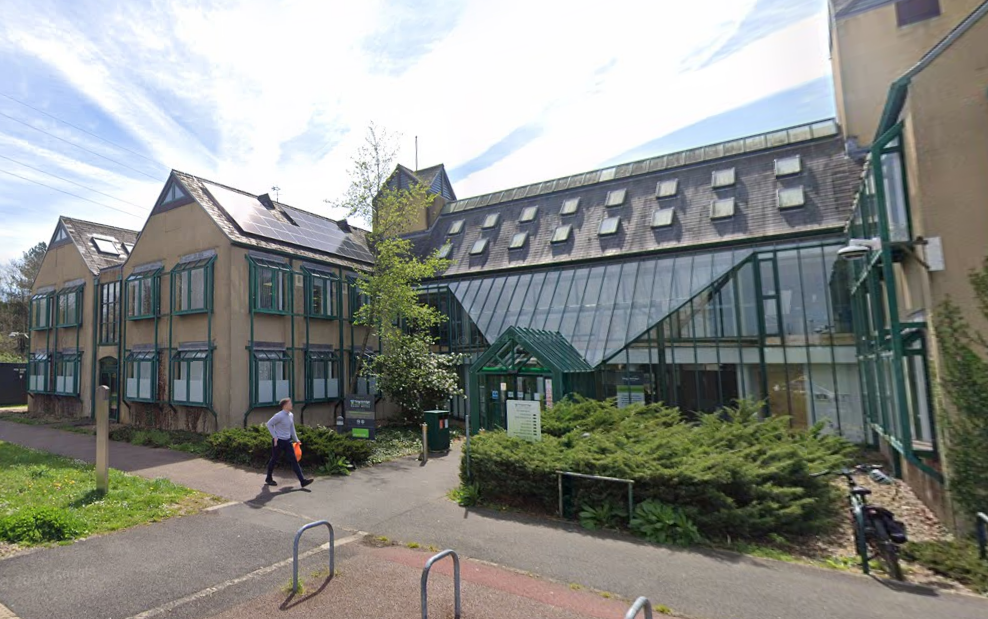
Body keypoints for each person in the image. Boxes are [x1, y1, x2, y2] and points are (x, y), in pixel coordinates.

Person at [264, 398, 313, 488]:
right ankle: (268, 478)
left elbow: (292, 428)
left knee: (294, 460)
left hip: (287, 441)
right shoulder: (279, 415)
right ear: (285, 405)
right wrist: (275, 436)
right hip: (278, 441)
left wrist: (296, 439)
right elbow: (269, 424)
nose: (292, 405)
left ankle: (302, 481)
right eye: (290, 403)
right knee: (274, 459)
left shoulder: (291, 415)